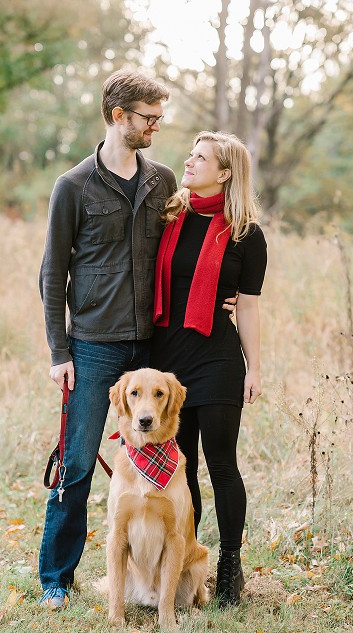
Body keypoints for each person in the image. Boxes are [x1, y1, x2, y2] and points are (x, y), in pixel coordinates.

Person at [38, 70, 176, 610]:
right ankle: (56, 577)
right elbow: (52, 275)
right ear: (119, 116)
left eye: (159, 118)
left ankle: (162, 577)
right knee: (75, 464)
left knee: (163, 461)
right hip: (94, 346)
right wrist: (59, 351)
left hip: (152, 349)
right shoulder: (73, 187)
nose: (155, 127)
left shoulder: (161, 180)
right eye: (148, 118)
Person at [149, 131, 266, 607]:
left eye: (201, 158)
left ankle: (230, 567)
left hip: (217, 358)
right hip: (168, 363)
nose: (189, 162)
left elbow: (250, 308)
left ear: (225, 173)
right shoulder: (170, 215)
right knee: (181, 468)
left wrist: (254, 368)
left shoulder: (246, 235)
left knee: (221, 464)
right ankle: (187, 560)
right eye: (191, 154)